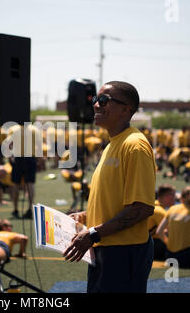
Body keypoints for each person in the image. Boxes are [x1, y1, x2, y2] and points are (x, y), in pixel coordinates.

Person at [63, 81, 156, 293]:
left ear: (126, 109)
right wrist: (87, 216)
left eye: (103, 100)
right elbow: (117, 200)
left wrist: (93, 233)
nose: (96, 104)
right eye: (95, 99)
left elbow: (142, 207)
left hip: (124, 252)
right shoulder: (113, 143)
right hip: (105, 247)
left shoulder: (134, 145)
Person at [148, 184, 176, 260]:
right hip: (152, 246)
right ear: (166, 197)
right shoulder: (160, 211)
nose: (175, 198)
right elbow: (173, 232)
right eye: (173, 195)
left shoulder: (154, 205)